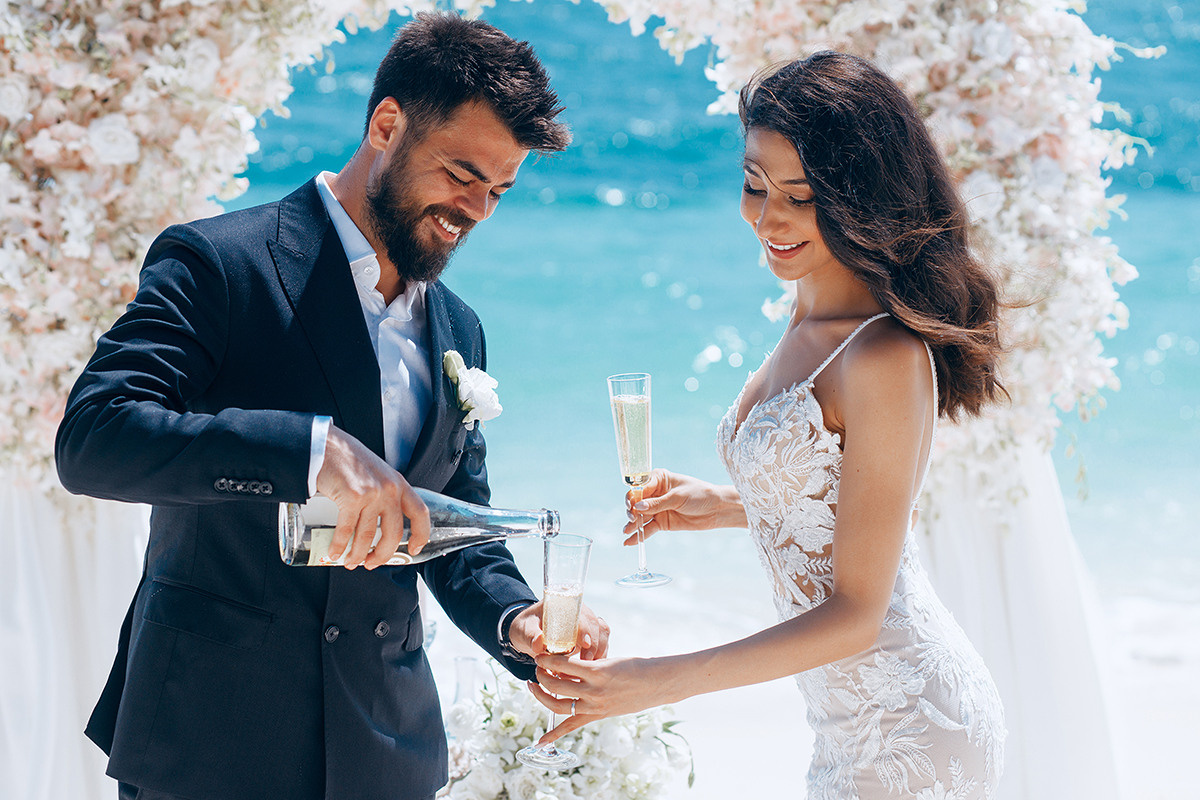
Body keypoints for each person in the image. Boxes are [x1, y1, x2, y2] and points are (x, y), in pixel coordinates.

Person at [55, 13, 609, 800]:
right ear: (388, 125)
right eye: (461, 174)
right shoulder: (218, 263)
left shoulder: (461, 327)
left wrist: (516, 620)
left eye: (498, 190)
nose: (478, 210)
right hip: (209, 745)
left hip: (389, 751)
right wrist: (313, 452)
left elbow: (451, 521)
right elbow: (94, 438)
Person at [529, 52, 1007, 798]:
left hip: (913, 729)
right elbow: (859, 503)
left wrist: (662, 680)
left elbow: (857, 612)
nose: (770, 217)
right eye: (755, 186)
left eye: (802, 195)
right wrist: (727, 505)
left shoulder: (882, 351)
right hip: (844, 723)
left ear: (860, 198)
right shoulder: (810, 310)